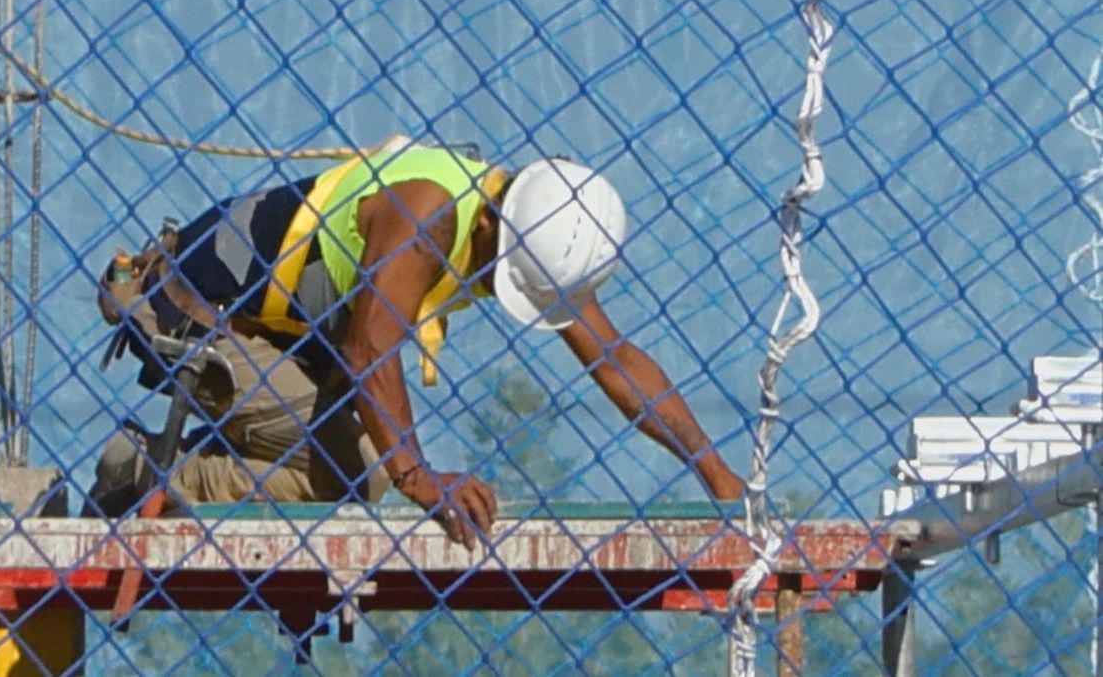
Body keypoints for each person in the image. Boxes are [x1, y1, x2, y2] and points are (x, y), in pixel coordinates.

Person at [91, 137, 745, 547]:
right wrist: (420, 476)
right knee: (367, 471)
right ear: (489, 224)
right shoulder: (426, 213)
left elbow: (616, 360)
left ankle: (191, 463)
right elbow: (369, 352)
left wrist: (717, 475)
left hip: (279, 333)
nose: (492, 284)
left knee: (358, 469)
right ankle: (142, 468)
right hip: (197, 316)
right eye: (499, 270)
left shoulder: (528, 235)